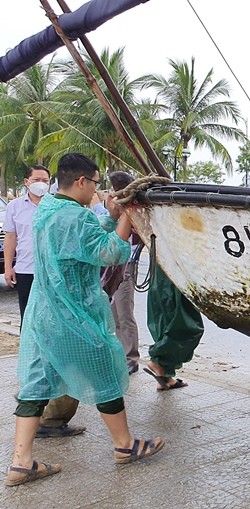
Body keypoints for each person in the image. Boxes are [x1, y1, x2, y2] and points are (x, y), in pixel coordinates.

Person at [5, 153, 164, 487]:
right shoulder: (75, 217)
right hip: (73, 314)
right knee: (105, 371)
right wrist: (126, 216)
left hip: (44, 315)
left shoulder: (48, 209)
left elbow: (83, 243)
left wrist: (108, 217)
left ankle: (21, 462)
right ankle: (125, 445)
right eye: (94, 182)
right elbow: (109, 252)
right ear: (81, 181)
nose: (96, 189)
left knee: (37, 384)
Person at [3, 165, 85, 439]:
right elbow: (11, 237)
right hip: (26, 270)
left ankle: (40, 393)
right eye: (36, 179)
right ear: (26, 181)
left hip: (52, 274)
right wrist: (8, 266)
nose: (40, 183)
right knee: (32, 327)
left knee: (55, 333)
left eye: (45, 180)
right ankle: (34, 384)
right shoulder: (15, 207)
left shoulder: (53, 206)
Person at [100, 172, 143, 375]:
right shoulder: (114, 213)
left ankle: (131, 358)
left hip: (125, 266)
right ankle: (120, 355)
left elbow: (134, 238)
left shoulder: (134, 211)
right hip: (112, 267)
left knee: (124, 313)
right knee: (114, 314)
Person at [142, 264, 204, 390]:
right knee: (186, 326)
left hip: (163, 275)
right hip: (174, 272)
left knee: (165, 324)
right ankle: (160, 362)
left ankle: (165, 376)